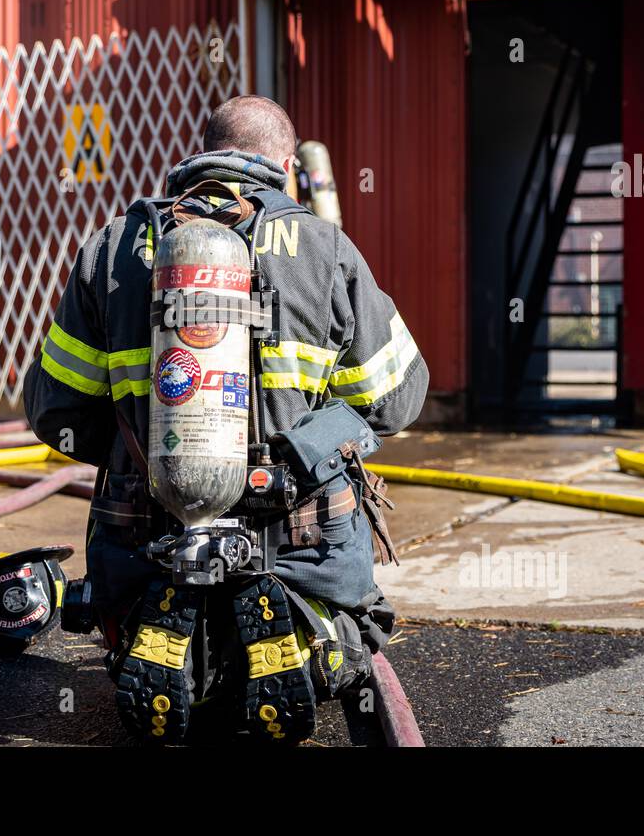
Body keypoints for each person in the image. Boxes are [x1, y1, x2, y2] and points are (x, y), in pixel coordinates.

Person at [24, 95, 428, 743]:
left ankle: (145, 636)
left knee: (134, 626)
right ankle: (313, 638)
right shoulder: (326, 246)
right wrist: (309, 441)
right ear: (287, 166)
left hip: (147, 547)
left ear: (200, 151)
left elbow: (55, 409)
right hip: (301, 551)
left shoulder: (113, 245)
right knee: (359, 630)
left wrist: (145, 457)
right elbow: (397, 397)